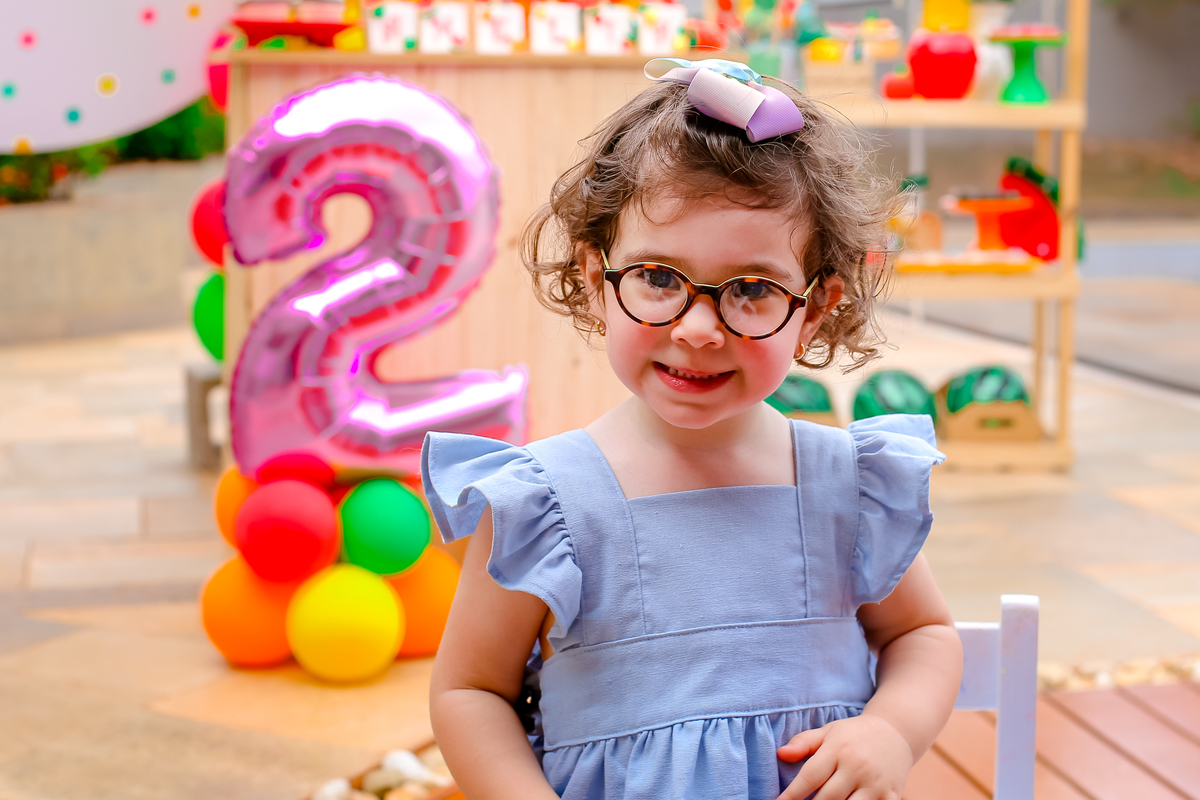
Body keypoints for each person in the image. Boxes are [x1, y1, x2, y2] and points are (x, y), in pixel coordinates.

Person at [421, 58, 963, 800]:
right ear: (596, 280)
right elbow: (470, 690)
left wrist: (891, 731)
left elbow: (922, 633)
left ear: (813, 308)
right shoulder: (544, 504)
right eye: (657, 278)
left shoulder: (848, 486)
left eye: (751, 289)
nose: (699, 328)